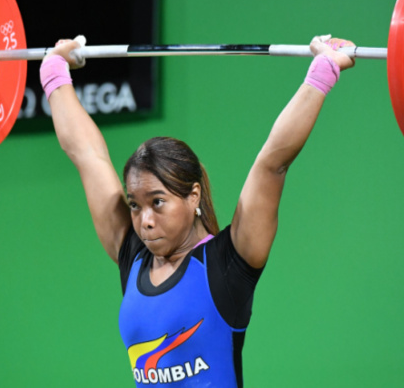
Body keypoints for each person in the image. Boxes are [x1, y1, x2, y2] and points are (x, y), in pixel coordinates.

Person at [40, 35, 355, 387]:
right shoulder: (132, 256)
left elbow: (273, 163)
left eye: (157, 202)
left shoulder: (228, 264)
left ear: (193, 196)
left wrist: (322, 71)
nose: (144, 220)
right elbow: (86, 155)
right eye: (134, 205)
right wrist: (55, 71)